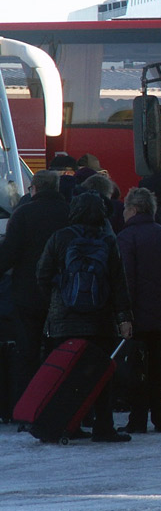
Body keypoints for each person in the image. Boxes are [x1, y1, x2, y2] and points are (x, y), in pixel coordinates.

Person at [36, 191, 133, 443]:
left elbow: (42, 275)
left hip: (63, 321)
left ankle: (70, 424)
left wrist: (58, 298)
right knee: (100, 375)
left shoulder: (59, 238)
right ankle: (104, 426)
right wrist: (124, 317)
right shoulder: (108, 241)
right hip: (100, 321)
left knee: (67, 375)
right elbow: (118, 282)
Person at [0, 171, 69, 408]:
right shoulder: (68, 213)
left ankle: (26, 406)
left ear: (35, 188)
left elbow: (9, 253)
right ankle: (57, 403)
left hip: (26, 293)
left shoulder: (23, 214)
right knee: (57, 352)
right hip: (62, 295)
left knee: (27, 352)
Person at [116, 187, 161, 433]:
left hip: (137, 315)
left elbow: (125, 279)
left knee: (136, 368)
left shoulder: (127, 237)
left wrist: (123, 314)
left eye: (125, 208)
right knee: (158, 367)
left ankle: (138, 418)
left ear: (134, 209)